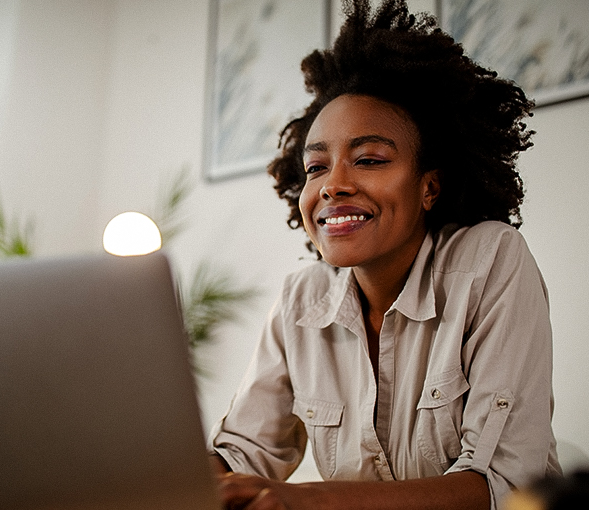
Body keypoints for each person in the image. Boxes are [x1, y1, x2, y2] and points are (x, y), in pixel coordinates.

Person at [208, 1, 562, 509]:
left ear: (430, 187)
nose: (333, 186)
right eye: (315, 168)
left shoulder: (488, 261)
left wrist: (310, 500)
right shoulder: (301, 298)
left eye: (369, 159)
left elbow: (502, 485)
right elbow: (245, 452)